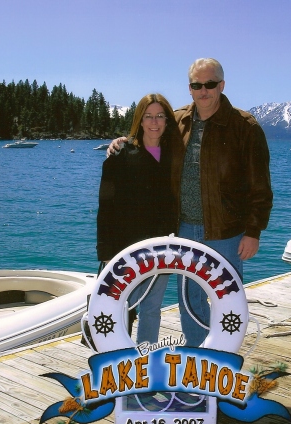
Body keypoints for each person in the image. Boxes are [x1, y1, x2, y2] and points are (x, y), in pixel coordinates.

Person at [108, 58, 273, 347]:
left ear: (222, 85)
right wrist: (123, 142)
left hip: (228, 233)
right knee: (190, 302)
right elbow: (151, 136)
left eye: (210, 84)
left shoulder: (244, 126)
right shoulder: (178, 120)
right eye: (197, 85)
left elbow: (260, 186)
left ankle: (223, 363)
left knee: (228, 303)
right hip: (184, 229)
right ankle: (198, 364)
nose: (203, 91)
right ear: (190, 88)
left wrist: (253, 231)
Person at [97, 93, 182, 344]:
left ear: (167, 120)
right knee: (121, 308)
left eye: (159, 116)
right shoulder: (121, 154)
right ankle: (117, 362)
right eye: (148, 116)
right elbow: (105, 207)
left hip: (161, 246)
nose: (154, 122)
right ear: (139, 120)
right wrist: (105, 252)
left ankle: (145, 364)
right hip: (125, 247)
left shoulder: (175, 155)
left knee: (152, 308)